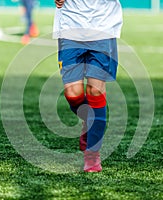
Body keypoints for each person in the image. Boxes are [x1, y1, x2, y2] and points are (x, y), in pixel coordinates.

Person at [53, 0, 123, 172]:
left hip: (103, 26)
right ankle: (89, 119)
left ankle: (92, 155)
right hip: (70, 25)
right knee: (72, 93)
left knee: (95, 91)